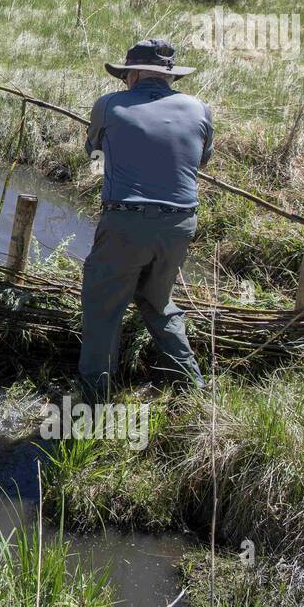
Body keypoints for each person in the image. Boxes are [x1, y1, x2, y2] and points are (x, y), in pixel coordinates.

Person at [78, 39, 213, 402]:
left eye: (126, 76)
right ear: (169, 76)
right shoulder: (200, 109)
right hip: (180, 224)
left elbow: (93, 152)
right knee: (156, 301)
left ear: (133, 74)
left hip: (126, 222)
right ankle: (194, 388)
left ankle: (94, 400)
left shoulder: (108, 105)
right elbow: (201, 161)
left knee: (103, 308)